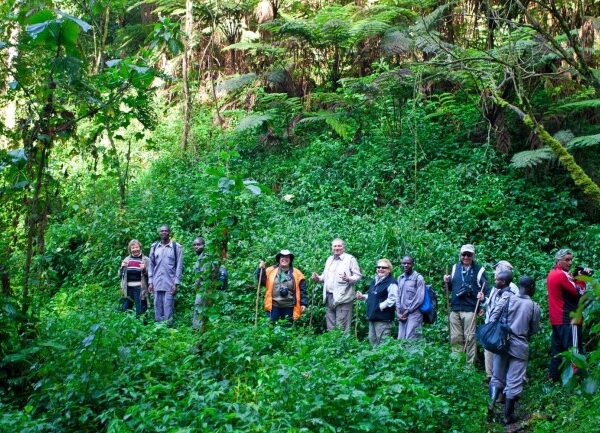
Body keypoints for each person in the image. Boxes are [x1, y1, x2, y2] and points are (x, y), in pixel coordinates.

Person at [488, 275, 541, 424]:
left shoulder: (506, 298)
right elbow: (534, 329)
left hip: (501, 343)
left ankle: (490, 407)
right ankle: (507, 416)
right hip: (520, 345)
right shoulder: (534, 306)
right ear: (531, 288)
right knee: (514, 380)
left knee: (496, 376)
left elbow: (493, 317)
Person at [547, 248, 590, 381]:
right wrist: (583, 278)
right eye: (567, 260)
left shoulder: (552, 273)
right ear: (558, 260)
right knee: (575, 352)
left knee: (557, 352)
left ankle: (552, 379)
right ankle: (578, 383)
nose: (570, 262)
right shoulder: (561, 275)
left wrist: (575, 277)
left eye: (571, 259)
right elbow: (580, 292)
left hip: (557, 319)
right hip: (568, 319)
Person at [443, 244, 489, 364]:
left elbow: (486, 290)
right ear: (460, 255)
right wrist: (447, 282)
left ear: (473, 256)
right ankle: (457, 365)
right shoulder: (454, 268)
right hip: (455, 308)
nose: (466, 257)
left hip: (470, 309)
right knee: (455, 337)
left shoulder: (479, 270)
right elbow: (451, 288)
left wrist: (483, 301)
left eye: (469, 254)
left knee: (470, 338)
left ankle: (469, 367)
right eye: (464, 254)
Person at [311, 238, 362, 333]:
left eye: (339, 246)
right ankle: (332, 345)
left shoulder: (350, 259)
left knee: (342, 327)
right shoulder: (329, 259)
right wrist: (318, 278)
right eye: (334, 246)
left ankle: (343, 346)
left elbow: (358, 276)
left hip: (344, 297)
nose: (337, 248)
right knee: (330, 326)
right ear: (332, 248)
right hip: (329, 296)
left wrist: (348, 278)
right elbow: (325, 276)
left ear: (344, 247)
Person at [483, 260, 519, 382]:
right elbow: (490, 304)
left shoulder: (512, 288)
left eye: (497, 269)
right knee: (488, 349)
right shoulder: (496, 286)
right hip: (491, 324)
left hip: (501, 326)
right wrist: (483, 301)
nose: (494, 272)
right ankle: (490, 377)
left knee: (500, 354)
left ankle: (499, 381)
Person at [258, 250, 308, 322]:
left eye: (287, 257)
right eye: (282, 257)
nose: (284, 259)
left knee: (287, 329)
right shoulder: (270, 270)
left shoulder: (297, 273)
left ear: (290, 260)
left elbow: (303, 290)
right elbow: (262, 281)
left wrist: (303, 303)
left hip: (290, 307)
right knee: (270, 328)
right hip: (273, 306)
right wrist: (261, 269)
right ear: (279, 259)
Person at [356, 259, 398, 345]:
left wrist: (380, 306)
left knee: (383, 344)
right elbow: (373, 296)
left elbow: (393, 298)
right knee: (373, 343)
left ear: (389, 270)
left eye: (384, 267)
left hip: (383, 319)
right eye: (378, 267)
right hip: (372, 316)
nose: (380, 269)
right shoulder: (375, 281)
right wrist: (363, 296)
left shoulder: (391, 282)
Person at [148, 225, 183, 323]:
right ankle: (158, 331)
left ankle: (169, 331)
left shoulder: (176, 247)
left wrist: (176, 283)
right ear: (159, 233)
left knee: (168, 309)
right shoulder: (154, 247)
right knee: (157, 308)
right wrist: (150, 282)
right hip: (156, 283)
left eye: (166, 231)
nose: (163, 232)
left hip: (170, 283)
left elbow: (179, 266)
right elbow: (151, 265)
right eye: (161, 231)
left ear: (169, 232)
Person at [191, 237, 228, 329]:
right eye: (194, 245)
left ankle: (198, 328)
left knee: (199, 306)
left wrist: (196, 286)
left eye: (198, 244)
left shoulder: (205, 258)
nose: (196, 247)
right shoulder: (200, 258)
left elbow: (203, 275)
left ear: (204, 245)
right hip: (202, 289)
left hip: (205, 288)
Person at [396, 256, 425, 339]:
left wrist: (408, 311)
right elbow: (398, 295)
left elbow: (419, 298)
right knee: (401, 339)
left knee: (412, 339)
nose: (406, 265)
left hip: (414, 314)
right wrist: (398, 312)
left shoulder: (418, 278)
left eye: (408, 263)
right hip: (402, 314)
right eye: (404, 263)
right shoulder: (400, 278)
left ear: (412, 264)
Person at [119, 239, 149, 316]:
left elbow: (151, 276)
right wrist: (122, 268)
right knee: (125, 310)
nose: (135, 249)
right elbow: (120, 275)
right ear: (130, 249)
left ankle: (142, 326)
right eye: (133, 248)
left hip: (140, 288)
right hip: (128, 288)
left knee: (141, 311)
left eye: (136, 247)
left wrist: (145, 269)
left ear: (140, 247)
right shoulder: (126, 259)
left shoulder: (146, 260)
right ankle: (128, 326)